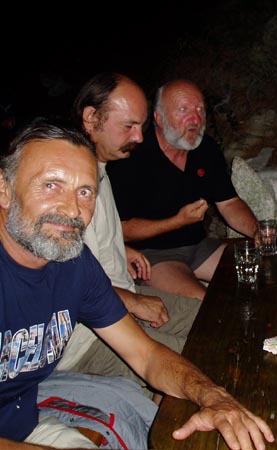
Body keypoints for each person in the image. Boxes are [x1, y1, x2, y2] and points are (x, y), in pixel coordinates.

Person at [0, 118, 274, 449]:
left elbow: (145, 354)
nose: (72, 209)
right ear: (4, 188)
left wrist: (212, 397)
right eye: (51, 185)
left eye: (85, 192)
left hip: (25, 422)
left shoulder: (73, 264)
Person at [56, 73, 201, 395]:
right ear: (91, 118)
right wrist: (133, 301)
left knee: (214, 320)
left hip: (123, 297)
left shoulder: (99, 167)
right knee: (198, 366)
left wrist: (119, 248)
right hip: (87, 338)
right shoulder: (68, 184)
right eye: (129, 126)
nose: (138, 137)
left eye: (142, 126)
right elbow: (62, 280)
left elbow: (89, 244)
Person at [107, 79, 257, 299]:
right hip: (151, 255)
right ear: (159, 118)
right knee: (204, 302)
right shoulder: (132, 156)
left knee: (260, 274)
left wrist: (257, 232)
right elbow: (122, 229)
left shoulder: (206, 149)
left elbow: (229, 203)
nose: (196, 119)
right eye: (183, 110)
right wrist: (178, 221)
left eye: (200, 110)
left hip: (200, 247)